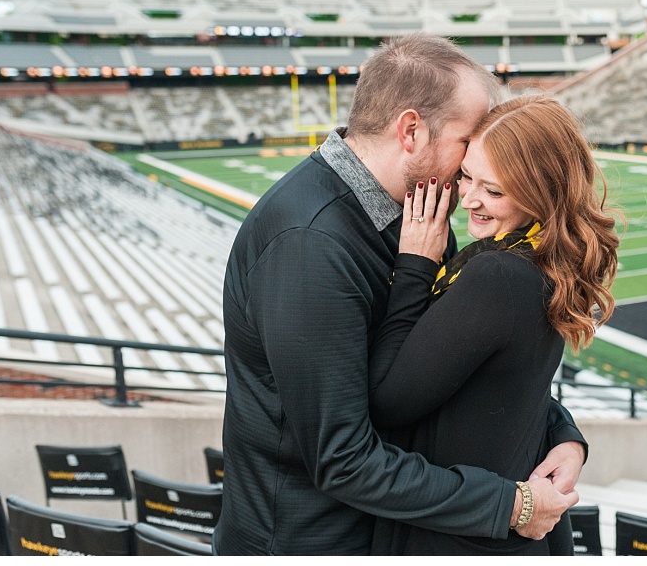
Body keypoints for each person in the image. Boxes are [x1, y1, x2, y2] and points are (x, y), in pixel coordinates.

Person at [214, 34, 588, 555]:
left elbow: (455, 366)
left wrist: (561, 433)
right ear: (411, 130)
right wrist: (511, 505)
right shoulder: (308, 245)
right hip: (311, 542)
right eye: (467, 138)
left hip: (380, 531)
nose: (474, 163)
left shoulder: (422, 212)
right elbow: (342, 458)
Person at [368, 95, 622, 555]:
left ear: (540, 194)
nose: (469, 199)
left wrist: (414, 267)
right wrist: (569, 438)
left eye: (494, 190)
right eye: (467, 176)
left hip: (465, 533)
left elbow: (387, 402)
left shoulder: (497, 275)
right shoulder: (544, 257)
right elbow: (511, 385)